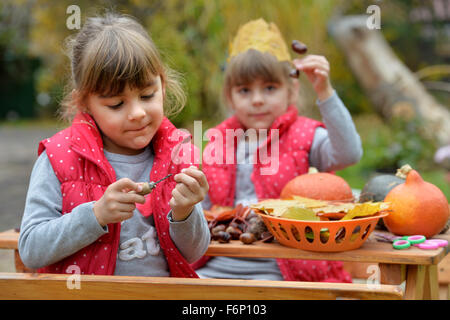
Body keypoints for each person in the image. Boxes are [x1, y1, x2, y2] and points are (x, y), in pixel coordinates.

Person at [18, 12, 210, 278]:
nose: (138, 113)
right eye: (116, 104)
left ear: (163, 86)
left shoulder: (176, 154)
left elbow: (194, 254)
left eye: (147, 95)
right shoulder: (59, 159)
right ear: (84, 103)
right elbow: (30, 249)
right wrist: (96, 215)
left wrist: (184, 212)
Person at [193, 19, 362, 282]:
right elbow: (201, 209)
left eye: (270, 88)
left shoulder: (304, 136)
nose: (257, 99)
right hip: (219, 262)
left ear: (291, 90)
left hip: (282, 266)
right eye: (245, 90)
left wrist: (324, 91)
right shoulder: (219, 142)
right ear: (230, 97)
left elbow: (349, 153)